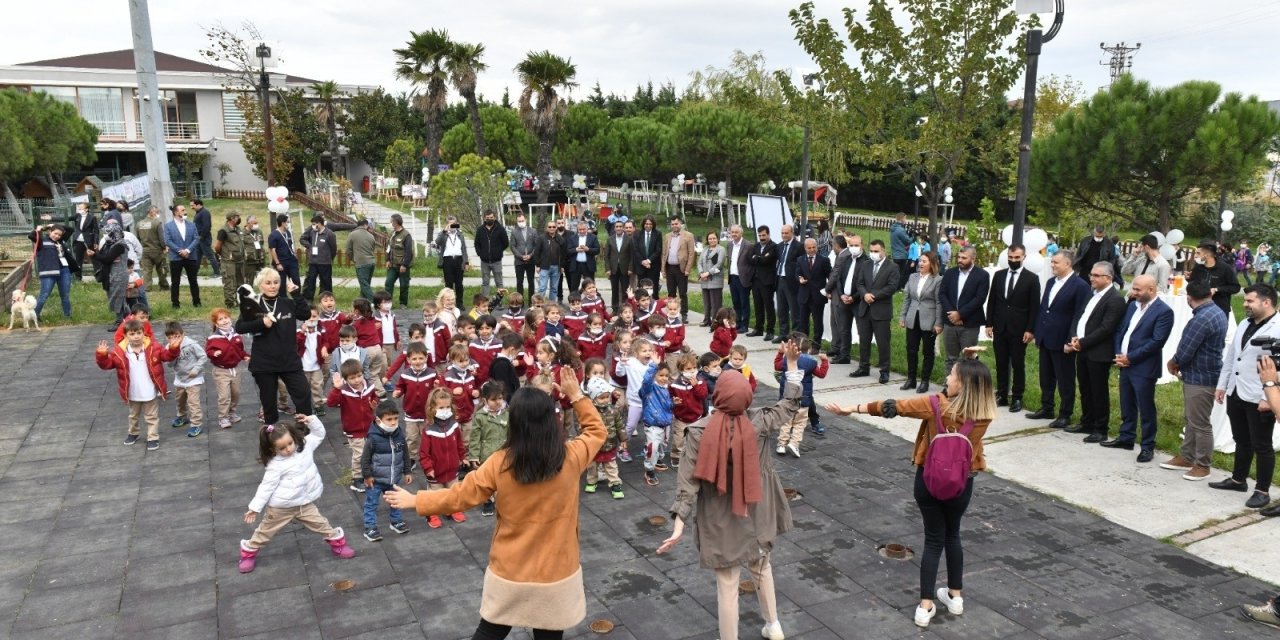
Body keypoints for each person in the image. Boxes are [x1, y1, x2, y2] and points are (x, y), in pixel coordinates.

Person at [385, 368, 601, 640]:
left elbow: (459, 496)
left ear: (515, 423)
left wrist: (417, 499)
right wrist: (577, 395)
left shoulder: (501, 463)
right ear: (551, 421)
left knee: (490, 631)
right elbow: (596, 431)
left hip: (511, 566)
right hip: (556, 568)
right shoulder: (571, 456)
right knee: (549, 633)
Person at [824, 356, 995, 631]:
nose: (947, 379)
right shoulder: (985, 412)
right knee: (953, 535)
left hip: (928, 481)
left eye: (951, 375)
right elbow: (965, 400)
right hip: (962, 483)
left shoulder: (934, 405)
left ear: (961, 384)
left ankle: (925, 607)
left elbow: (894, 407)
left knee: (933, 540)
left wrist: (852, 408)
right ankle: (956, 597)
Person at [657, 351, 806, 640]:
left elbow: (687, 481)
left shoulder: (698, 432)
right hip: (756, 510)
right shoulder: (759, 422)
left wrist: (679, 522)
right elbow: (789, 405)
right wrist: (791, 366)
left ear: (718, 396)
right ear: (747, 399)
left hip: (719, 515)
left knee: (727, 583)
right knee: (762, 566)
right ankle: (773, 625)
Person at [239, 416, 355, 573]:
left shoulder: (305, 447)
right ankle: (248, 553)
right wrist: (255, 508)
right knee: (265, 531)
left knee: (321, 523)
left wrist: (312, 421)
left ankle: (338, 545)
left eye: (290, 443)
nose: (288, 449)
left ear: (294, 438)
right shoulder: (276, 466)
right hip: (282, 507)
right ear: (273, 450)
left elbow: (319, 434)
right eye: (282, 448)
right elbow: (266, 487)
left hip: (304, 503)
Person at [1212, 283, 1280, 509]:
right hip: (1236, 390)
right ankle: (1238, 479)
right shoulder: (1244, 323)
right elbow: (1232, 357)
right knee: (1241, 439)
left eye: (1250, 301)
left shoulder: (1278, 327)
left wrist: (1267, 397)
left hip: (1260, 395)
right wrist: (1223, 385)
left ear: (1266, 302)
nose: (1245, 304)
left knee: (1262, 444)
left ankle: (1262, 491)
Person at [1101, 275, 1174, 462]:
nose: (1133, 292)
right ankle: (1126, 437)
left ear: (1151, 290)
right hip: (1124, 363)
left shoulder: (1163, 312)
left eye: (1138, 290)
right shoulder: (1132, 306)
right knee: (1126, 402)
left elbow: (1157, 341)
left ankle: (1148, 445)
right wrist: (1119, 354)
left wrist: (1130, 358)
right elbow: (1121, 330)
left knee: (1145, 407)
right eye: (1133, 288)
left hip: (1143, 367)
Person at [1163, 281, 1227, 479]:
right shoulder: (1217, 311)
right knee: (1192, 418)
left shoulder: (1202, 318)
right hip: (1205, 373)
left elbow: (1187, 349)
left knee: (1199, 422)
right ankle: (1187, 456)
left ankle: (1203, 464)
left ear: (1189, 298)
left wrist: (1173, 362)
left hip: (1201, 376)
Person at [236, 267, 314, 426]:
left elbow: (305, 314)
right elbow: (240, 327)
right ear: (260, 285)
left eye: (276, 282)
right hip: (264, 362)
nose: (273, 286)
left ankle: (304, 428)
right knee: (268, 401)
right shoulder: (253, 303)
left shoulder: (287, 303)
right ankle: (271, 433)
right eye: (268, 283)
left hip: (289, 360)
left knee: (303, 394)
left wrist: (296, 293)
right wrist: (261, 323)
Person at [94, 319, 181, 451]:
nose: (136, 337)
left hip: (150, 390)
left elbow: (166, 356)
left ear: (144, 333)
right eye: (132, 334)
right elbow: (107, 365)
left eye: (139, 333)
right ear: (125, 336)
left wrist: (174, 349)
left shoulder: (154, 347)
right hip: (132, 391)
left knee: (151, 416)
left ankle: (153, 437)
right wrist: (102, 356)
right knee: (133, 415)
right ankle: (133, 433)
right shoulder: (119, 352)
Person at [1063, 262, 1126, 442]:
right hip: (1082, 349)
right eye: (1091, 274)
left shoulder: (1115, 299)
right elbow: (1080, 317)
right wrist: (1075, 337)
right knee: (1085, 388)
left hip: (1098, 352)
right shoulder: (1093, 294)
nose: (1092, 278)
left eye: (1096, 275)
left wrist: (1082, 342)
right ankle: (1087, 421)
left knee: (1098, 390)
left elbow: (1106, 328)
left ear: (1108, 278)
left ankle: (1100, 427)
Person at [1028, 252, 1089, 427]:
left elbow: (1079, 315)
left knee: (1065, 378)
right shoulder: (1050, 282)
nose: (1052, 265)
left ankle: (1065, 413)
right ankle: (1047, 407)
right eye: (1052, 262)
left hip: (1063, 339)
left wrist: (1071, 339)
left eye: (1056, 262)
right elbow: (1044, 308)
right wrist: (1037, 332)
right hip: (1046, 336)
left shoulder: (1080, 286)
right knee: (1046, 376)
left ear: (1068, 263)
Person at [985, 244, 1040, 412]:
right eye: (1010, 257)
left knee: (1017, 363)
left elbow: (1034, 306)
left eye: (1017, 257)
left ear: (1023, 257)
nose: (1013, 260)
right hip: (1000, 326)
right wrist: (989, 324)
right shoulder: (999, 276)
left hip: (1019, 328)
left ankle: (1017, 397)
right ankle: (1001, 393)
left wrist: (1030, 329)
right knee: (1001, 362)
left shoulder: (1031, 278)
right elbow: (992, 300)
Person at [360, 400, 413, 542]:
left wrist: (407, 471)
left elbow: (405, 453)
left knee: (396, 501)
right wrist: (367, 475)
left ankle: (396, 521)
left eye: (395, 418)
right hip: (376, 479)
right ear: (379, 420)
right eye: (389, 419)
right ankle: (370, 527)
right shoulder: (373, 438)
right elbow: (365, 459)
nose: (393, 422)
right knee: (371, 503)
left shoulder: (399, 434)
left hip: (393, 478)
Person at [853, 239, 901, 384]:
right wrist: (864, 294)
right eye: (871, 251)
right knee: (864, 340)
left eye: (876, 251)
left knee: (883, 343)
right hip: (865, 309)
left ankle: (884, 371)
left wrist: (874, 296)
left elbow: (892, 287)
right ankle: (863, 367)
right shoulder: (866, 264)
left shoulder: (892, 267)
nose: (873, 253)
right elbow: (859, 283)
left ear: (883, 251)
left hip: (881, 310)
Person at [938, 246, 990, 373]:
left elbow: (979, 299)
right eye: (959, 257)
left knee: (968, 359)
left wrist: (960, 315)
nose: (960, 260)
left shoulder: (982, 275)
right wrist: (952, 315)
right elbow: (942, 294)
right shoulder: (950, 273)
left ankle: (967, 389)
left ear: (973, 258)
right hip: (950, 322)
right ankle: (949, 386)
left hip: (969, 324)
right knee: (951, 358)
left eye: (964, 258)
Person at [773, 332, 829, 445]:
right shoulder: (811, 362)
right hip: (805, 393)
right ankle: (813, 424)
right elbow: (822, 374)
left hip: (787, 393)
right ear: (808, 349)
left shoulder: (786, 359)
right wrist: (824, 361)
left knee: (786, 413)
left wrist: (780, 353)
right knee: (807, 409)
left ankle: (782, 441)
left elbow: (777, 366)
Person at [901, 252, 942, 394]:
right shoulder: (912, 277)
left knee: (927, 352)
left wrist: (938, 323)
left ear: (931, 263)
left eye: (924, 261)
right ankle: (911, 379)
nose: (921, 264)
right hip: (912, 318)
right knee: (911, 349)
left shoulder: (937, 280)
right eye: (920, 261)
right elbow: (907, 298)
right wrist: (903, 317)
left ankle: (925, 381)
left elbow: (939, 303)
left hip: (929, 320)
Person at [470, 382, 511, 515]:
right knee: (487, 479)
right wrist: (474, 456)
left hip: (504, 452)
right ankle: (488, 501)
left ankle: (503, 499)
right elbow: (475, 437)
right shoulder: (480, 416)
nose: (498, 402)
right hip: (486, 453)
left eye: (500, 398)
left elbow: (512, 433)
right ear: (485, 400)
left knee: (504, 477)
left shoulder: (507, 414)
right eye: (493, 399)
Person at [582, 376, 625, 500]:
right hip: (594, 445)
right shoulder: (590, 412)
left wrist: (623, 440)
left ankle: (615, 484)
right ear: (593, 398)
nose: (606, 400)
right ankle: (592, 481)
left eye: (607, 397)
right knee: (592, 466)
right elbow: (583, 425)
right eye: (602, 398)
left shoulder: (613, 411)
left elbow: (619, 426)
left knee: (611, 466)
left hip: (610, 443)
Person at [828, 234, 869, 365]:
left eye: (856, 245)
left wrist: (853, 297)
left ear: (862, 245)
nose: (853, 248)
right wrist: (841, 295)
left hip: (857, 301)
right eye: (851, 245)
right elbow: (839, 279)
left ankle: (864, 361)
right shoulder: (846, 259)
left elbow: (865, 284)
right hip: (843, 299)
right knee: (844, 329)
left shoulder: (867, 262)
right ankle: (844, 355)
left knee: (861, 330)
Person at [207, 308, 249, 429]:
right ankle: (223, 417)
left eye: (226, 318)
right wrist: (214, 353)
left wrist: (245, 356)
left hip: (235, 370)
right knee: (224, 396)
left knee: (235, 394)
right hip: (221, 371)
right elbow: (208, 350)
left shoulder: (236, 335)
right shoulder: (213, 338)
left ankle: (232, 412)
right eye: (220, 319)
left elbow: (240, 350)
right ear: (216, 324)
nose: (224, 321)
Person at [166, 321, 208, 439]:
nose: (174, 339)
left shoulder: (192, 345)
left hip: (193, 379)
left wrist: (196, 369)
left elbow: (203, 356)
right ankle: (182, 416)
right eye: (170, 337)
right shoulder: (169, 347)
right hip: (180, 379)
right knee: (180, 399)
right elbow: (169, 364)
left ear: (183, 334)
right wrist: (172, 352)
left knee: (193, 402)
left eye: (177, 336)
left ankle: (196, 424)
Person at [299, 214, 353, 302]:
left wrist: (329, 257)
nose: (313, 226)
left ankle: (326, 298)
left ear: (320, 223)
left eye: (314, 224)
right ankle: (308, 298)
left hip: (324, 262)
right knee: (310, 280)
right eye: (312, 224)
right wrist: (310, 246)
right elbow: (303, 239)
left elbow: (333, 248)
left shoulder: (329, 234)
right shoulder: (312, 232)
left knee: (325, 281)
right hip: (313, 262)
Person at [28, 224, 75, 320]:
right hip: (48, 272)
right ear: (50, 232)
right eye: (55, 233)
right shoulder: (41, 241)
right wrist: (39, 229)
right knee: (44, 295)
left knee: (65, 295)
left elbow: (70, 229)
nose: (57, 236)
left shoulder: (60, 241)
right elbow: (31, 236)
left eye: (59, 235)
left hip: (64, 270)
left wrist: (53, 225)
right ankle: (35, 315)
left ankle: (67, 316)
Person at [640, 359, 674, 486]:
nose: (664, 378)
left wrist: (673, 403)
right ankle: (649, 470)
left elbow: (666, 405)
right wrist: (653, 366)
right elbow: (647, 380)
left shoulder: (665, 389)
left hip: (665, 423)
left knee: (662, 444)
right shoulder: (649, 389)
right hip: (652, 424)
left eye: (666, 375)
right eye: (661, 375)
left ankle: (658, 459)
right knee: (652, 447)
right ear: (654, 375)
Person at [164, 204, 201, 309]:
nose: (185, 211)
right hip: (176, 257)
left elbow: (196, 238)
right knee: (175, 282)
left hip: (190, 256)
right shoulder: (168, 226)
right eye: (182, 210)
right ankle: (175, 303)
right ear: (176, 212)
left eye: (185, 209)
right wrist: (180, 251)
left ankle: (197, 302)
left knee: (193, 280)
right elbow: (168, 241)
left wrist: (188, 250)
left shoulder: (191, 225)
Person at [1189, 241, 1241, 316]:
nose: (1195, 256)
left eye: (1198, 253)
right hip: (1200, 308)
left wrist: (1217, 289)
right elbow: (1192, 283)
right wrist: (1189, 278)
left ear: (1206, 255)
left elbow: (1235, 287)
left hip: (1220, 309)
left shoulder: (1225, 268)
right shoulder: (1198, 267)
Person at [796, 237, 832, 347]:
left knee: (817, 322)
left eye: (814, 247)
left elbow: (830, 276)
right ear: (805, 248)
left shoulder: (823, 260)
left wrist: (828, 290)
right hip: (804, 295)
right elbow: (797, 273)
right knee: (803, 323)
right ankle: (803, 344)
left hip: (817, 297)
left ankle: (816, 345)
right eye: (809, 248)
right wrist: (799, 278)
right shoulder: (800, 260)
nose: (812, 250)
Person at [661, 217, 697, 322]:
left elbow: (691, 253)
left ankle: (684, 314)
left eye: (676, 224)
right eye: (672, 224)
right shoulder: (667, 236)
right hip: (670, 268)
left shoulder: (688, 236)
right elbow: (664, 253)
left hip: (681, 269)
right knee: (671, 293)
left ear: (681, 224)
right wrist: (663, 269)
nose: (674, 226)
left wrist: (688, 269)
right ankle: (671, 313)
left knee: (682, 293)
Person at [96, 220, 132, 327]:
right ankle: (128, 318)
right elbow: (104, 257)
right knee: (116, 297)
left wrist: (95, 255)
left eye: (107, 233)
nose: (105, 235)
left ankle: (120, 321)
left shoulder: (120, 245)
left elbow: (106, 259)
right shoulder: (109, 244)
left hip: (118, 275)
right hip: (110, 274)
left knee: (118, 298)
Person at [747, 226, 779, 341]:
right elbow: (749, 259)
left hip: (767, 281)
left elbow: (767, 260)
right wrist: (759, 257)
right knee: (758, 305)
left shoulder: (773, 246)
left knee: (768, 306)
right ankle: (758, 329)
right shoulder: (755, 246)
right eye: (759, 235)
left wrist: (757, 257)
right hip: (755, 280)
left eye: (763, 235)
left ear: (768, 234)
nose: (761, 238)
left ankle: (770, 330)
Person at [772, 224, 803, 341]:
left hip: (792, 283)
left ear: (792, 233)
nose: (784, 235)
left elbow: (801, 265)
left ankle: (795, 337)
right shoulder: (779, 246)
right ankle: (783, 334)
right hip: (780, 280)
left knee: (795, 311)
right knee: (782, 310)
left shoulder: (799, 246)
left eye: (786, 233)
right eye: (782, 233)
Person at [214, 211, 247, 307]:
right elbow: (217, 247)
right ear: (232, 218)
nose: (239, 219)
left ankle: (240, 301)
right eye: (237, 217)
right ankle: (230, 303)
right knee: (230, 283)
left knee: (240, 282)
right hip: (229, 262)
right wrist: (225, 255)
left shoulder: (238, 229)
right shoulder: (223, 231)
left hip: (239, 261)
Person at [134, 205, 169, 292]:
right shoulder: (157, 223)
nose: (158, 214)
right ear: (151, 212)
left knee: (146, 271)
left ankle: (147, 288)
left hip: (145, 250)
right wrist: (164, 247)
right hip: (157, 250)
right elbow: (161, 238)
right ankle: (164, 286)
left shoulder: (139, 224)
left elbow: (137, 238)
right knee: (162, 269)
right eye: (157, 212)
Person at [726, 225, 754, 331]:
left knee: (744, 303)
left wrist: (749, 276)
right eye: (732, 232)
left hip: (743, 279)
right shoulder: (729, 245)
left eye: (736, 232)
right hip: (732, 277)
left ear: (741, 233)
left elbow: (752, 264)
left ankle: (745, 325)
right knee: (736, 302)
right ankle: (737, 323)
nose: (734, 234)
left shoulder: (748, 245)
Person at [474, 209, 509, 297]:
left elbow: (505, 243)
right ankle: (484, 303)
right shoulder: (480, 229)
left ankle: (499, 303)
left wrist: (498, 251)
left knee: (499, 283)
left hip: (496, 261)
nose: (489, 219)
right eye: (487, 218)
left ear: (494, 217)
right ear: (484, 218)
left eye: (491, 217)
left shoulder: (500, 229)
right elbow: (476, 243)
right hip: (484, 262)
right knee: (485, 283)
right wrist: (480, 254)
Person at [436, 215, 470, 305]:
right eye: (450, 224)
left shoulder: (460, 234)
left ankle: (459, 303)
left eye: (454, 224)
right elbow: (437, 242)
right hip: (448, 260)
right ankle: (448, 303)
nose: (453, 226)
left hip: (459, 259)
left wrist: (466, 262)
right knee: (449, 283)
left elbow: (464, 249)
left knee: (459, 283)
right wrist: (444, 231)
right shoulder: (443, 234)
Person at [603, 220, 634, 313]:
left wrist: (630, 268)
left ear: (623, 228)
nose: (619, 228)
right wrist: (608, 269)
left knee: (625, 290)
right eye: (617, 227)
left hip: (625, 269)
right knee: (614, 290)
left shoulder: (629, 239)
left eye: (621, 226)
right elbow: (606, 255)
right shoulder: (610, 239)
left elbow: (632, 255)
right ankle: (615, 309)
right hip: (613, 269)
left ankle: (625, 309)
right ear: (614, 228)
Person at [385, 213, 415, 308]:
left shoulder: (406, 235)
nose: (390, 223)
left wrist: (404, 265)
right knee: (388, 283)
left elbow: (408, 251)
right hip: (392, 265)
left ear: (396, 222)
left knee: (404, 285)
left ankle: (403, 303)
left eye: (391, 221)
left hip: (402, 266)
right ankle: (387, 303)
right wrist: (387, 260)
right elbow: (388, 248)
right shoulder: (392, 234)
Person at [565, 219, 600, 295]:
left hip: (588, 265)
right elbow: (568, 251)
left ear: (587, 228)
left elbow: (597, 250)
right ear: (577, 229)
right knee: (574, 286)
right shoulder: (572, 237)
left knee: (590, 285)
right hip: (575, 265)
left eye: (583, 229)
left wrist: (588, 249)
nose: (581, 231)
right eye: (579, 229)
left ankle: (591, 301)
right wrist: (576, 250)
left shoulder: (593, 237)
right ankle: (574, 302)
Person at [346, 218, 378, 301]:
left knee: (364, 285)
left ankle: (376, 302)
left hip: (361, 263)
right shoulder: (371, 236)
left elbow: (348, 250)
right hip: (371, 262)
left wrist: (354, 259)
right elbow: (372, 248)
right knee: (366, 284)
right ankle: (362, 301)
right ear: (366, 225)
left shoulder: (352, 234)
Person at [532, 220, 563, 300]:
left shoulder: (560, 239)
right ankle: (539, 305)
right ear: (547, 228)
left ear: (556, 228)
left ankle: (551, 306)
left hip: (556, 267)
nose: (552, 228)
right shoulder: (541, 238)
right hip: (544, 267)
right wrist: (537, 265)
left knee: (554, 289)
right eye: (550, 227)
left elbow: (563, 254)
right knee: (542, 288)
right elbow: (536, 252)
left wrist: (562, 266)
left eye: (553, 227)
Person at [268, 213, 300, 290]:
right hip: (281, 261)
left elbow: (290, 245)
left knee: (296, 280)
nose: (288, 224)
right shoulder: (273, 235)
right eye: (287, 222)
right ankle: (282, 298)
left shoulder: (288, 233)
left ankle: (297, 297)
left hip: (291, 260)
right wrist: (278, 263)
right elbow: (273, 250)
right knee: (281, 282)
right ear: (282, 223)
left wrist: (294, 254)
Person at [510, 213, 537, 301]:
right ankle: (519, 302)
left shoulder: (533, 231)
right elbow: (513, 246)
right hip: (519, 262)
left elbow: (536, 245)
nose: (521, 222)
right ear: (517, 222)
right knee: (519, 282)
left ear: (526, 220)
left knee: (531, 282)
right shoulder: (514, 232)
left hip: (531, 261)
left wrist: (531, 255)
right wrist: (521, 256)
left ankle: (531, 301)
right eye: (519, 221)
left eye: (522, 220)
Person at [70, 201, 99, 281]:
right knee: (78, 259)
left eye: (81, 208)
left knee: (94, 258)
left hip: (89, 240)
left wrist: (96, 242)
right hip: (78, 240)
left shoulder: (92, 218)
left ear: (86, 209)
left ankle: (99, 276)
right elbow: (67, 218)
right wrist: (51, 218)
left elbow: (96, 230)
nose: (79, 210)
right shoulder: (77, 216)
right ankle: (78, 277)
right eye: (78, 208)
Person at [633, 215, 663, 290]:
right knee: (641, 289)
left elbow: (658, 250)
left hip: (653, 267)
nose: (648, 226)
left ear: (653, 225)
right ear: (643, 224)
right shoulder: (637, 234)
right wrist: (643, 262)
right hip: (641, 267)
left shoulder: (658, 234)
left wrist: (648, 261)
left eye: (650, 224)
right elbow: (636, 250)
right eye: (646, 224)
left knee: (653, 289)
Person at [191, 198, 219, 277]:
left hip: (204, 238)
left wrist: (202, 237)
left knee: (209, 255)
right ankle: (194, 273)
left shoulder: (205, 213)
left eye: (192, 205)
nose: (191, 207)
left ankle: (217, 272)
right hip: (199, 238)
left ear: (198, 204)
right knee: (197, 256)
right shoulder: (198, 213)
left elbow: (207, 226)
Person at [890, 213, 912, 290]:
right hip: (902, 254)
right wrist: (913, 237)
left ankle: (893, 287)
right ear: (902, 219)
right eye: (905, 218)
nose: (906, 220)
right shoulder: (901, 230)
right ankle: (898, 288)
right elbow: (907, 241)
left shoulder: (893, 228)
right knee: (900, 273)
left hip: (895, 253)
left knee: (895, 272)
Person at [243, 215, 267, 282]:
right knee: (249, 280)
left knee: (263, 280)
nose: (256, 225)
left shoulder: (259, 231)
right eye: (254, 223)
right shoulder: (243, 233)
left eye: (257, 223)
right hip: (250, 261)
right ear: (248, 223)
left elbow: (262, 243)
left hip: (260, 259)